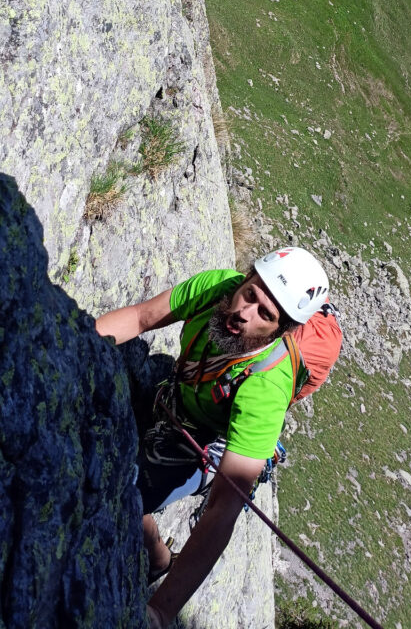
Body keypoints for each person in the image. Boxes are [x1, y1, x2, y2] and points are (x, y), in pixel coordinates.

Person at [94, 246, 330, 629]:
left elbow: (223, 507)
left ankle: (157, 558)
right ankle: (156, 554)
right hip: (180, 396)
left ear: (280, 329)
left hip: (207, 445)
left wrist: (160, 612)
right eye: (250, 294)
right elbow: (141, 317)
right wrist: (73, 338)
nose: (244, 312)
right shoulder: (219, 287)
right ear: (246, 279)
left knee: (123, 494)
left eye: (265, 315)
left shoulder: (266, 387)